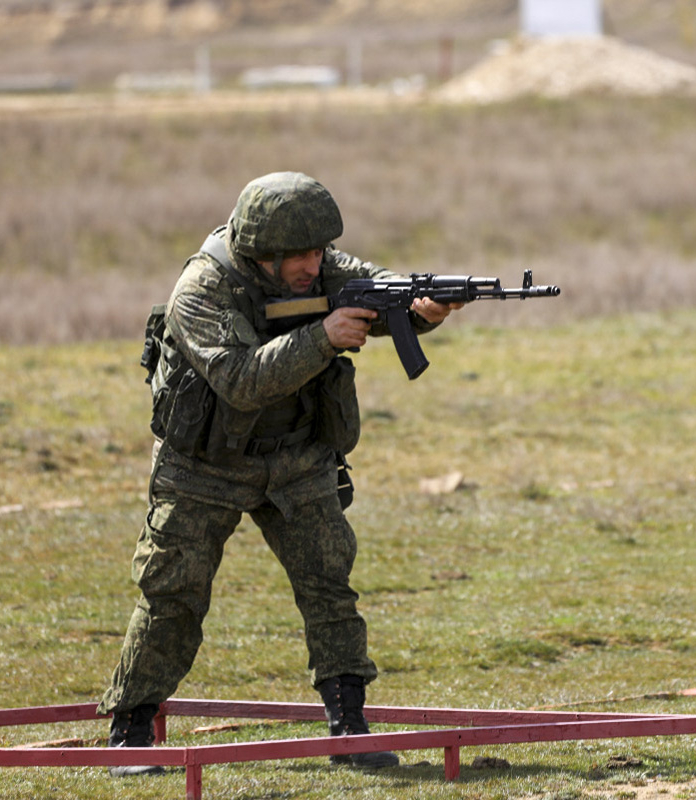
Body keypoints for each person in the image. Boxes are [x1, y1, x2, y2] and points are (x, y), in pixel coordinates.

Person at [97, 171, 460, 776]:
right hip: (204, 464)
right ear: (261, 252)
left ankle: (349, 725)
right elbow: (240, 382)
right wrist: (322, 338)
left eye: (319, 251)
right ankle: (131, 730)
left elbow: (380, 294)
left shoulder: (325, 269)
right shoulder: (202, 289)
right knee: (173, 595)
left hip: (296, 455)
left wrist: (423, 312)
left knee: (329, 586)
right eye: (299, 255)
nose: (314, 266)